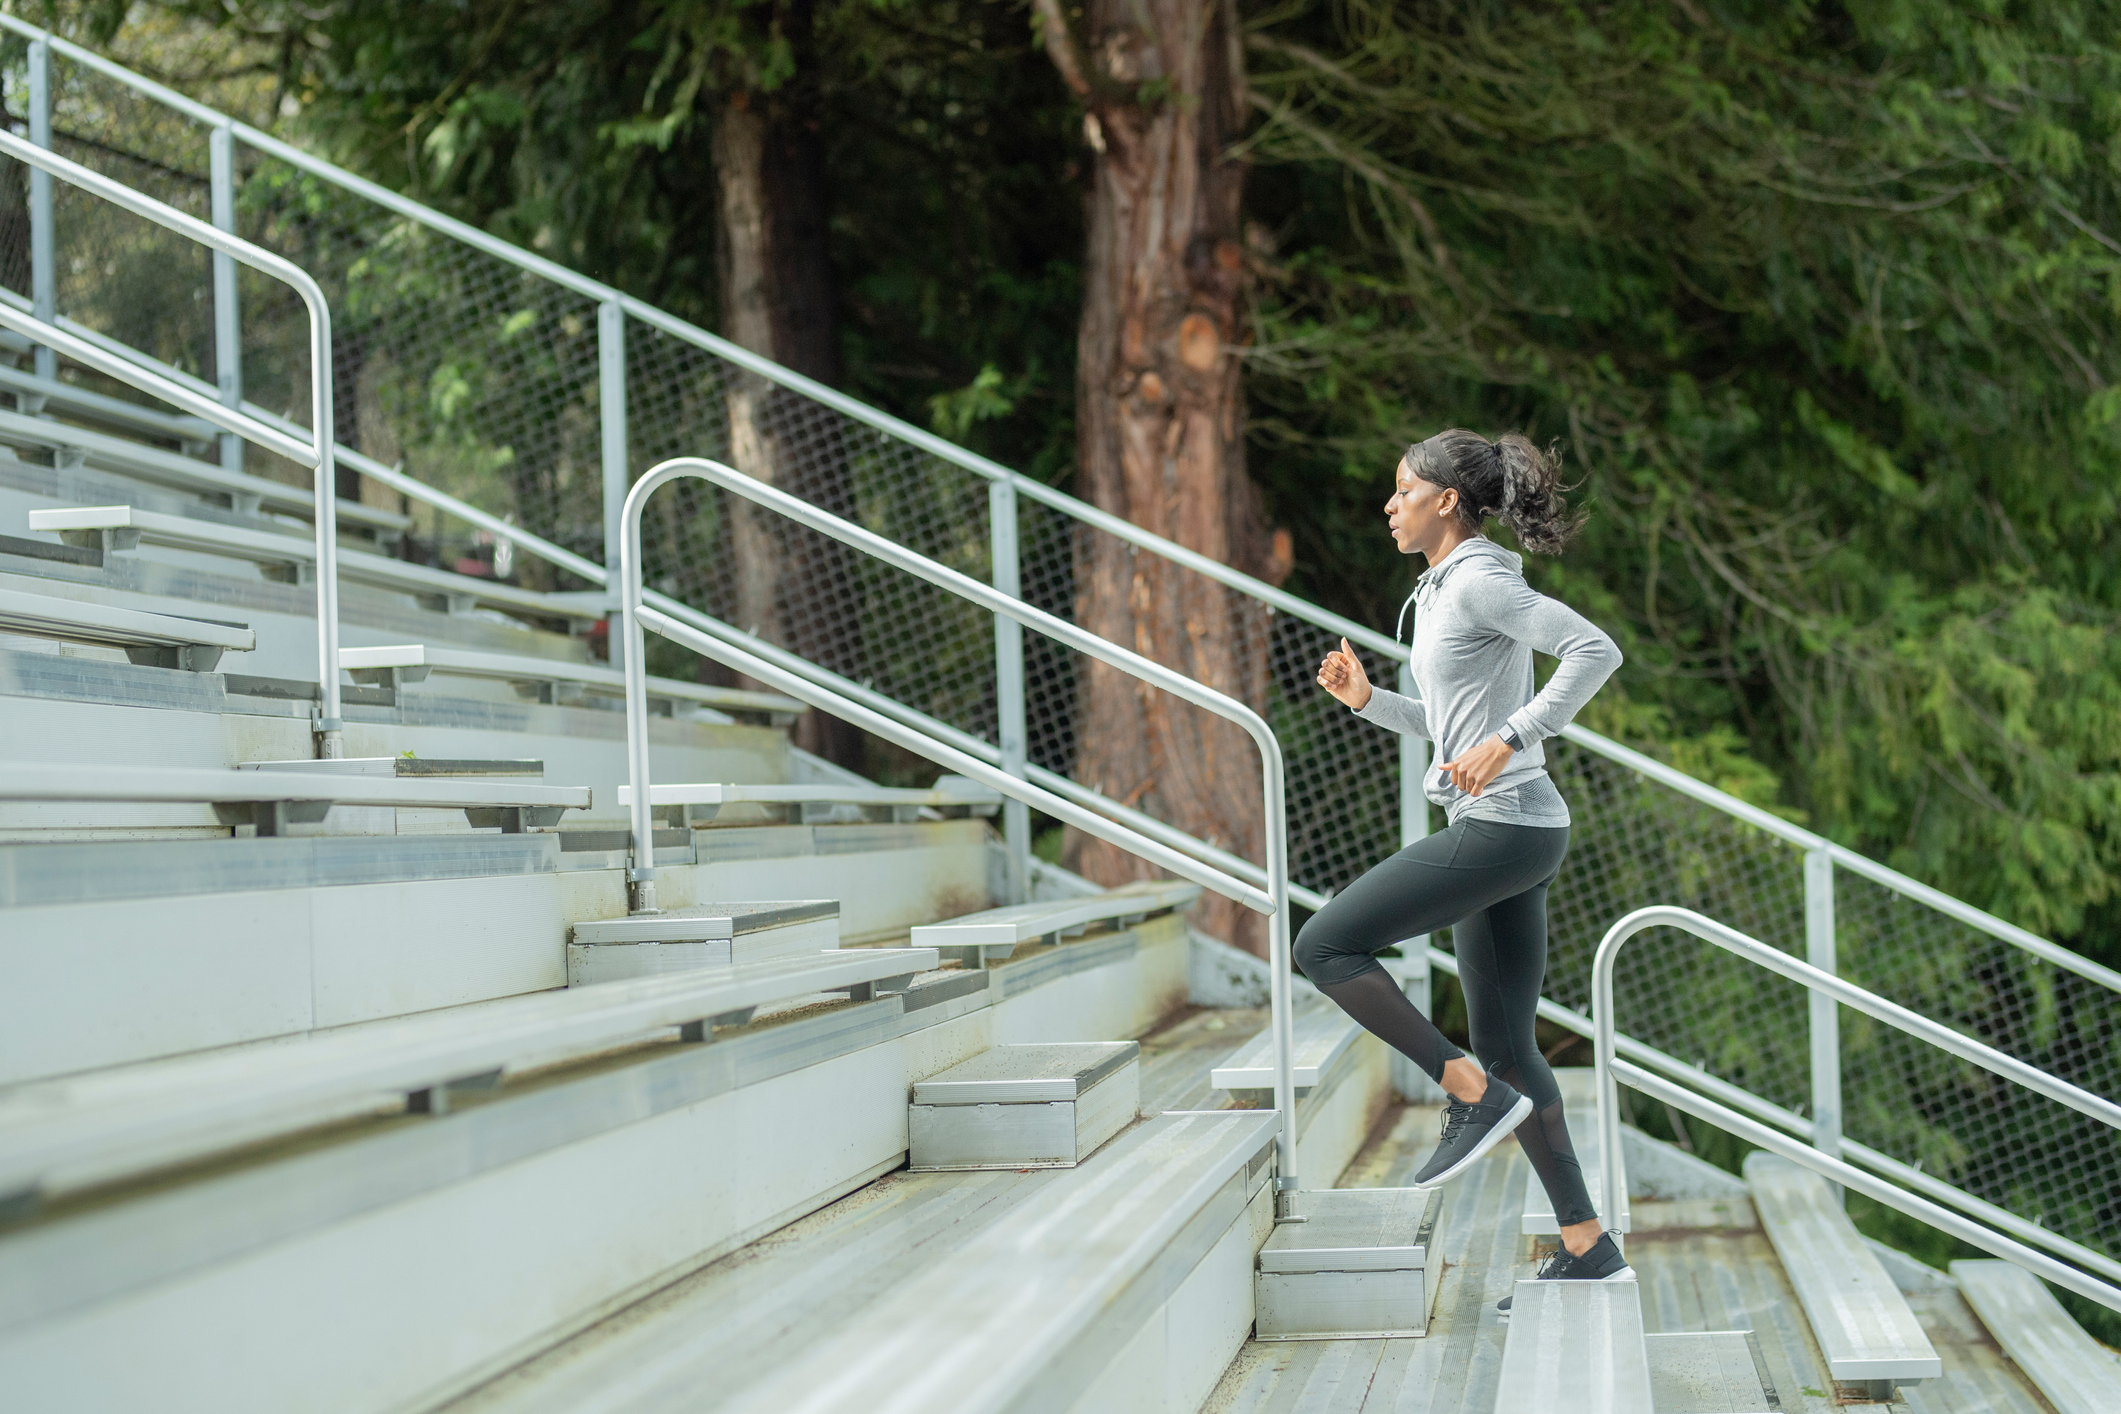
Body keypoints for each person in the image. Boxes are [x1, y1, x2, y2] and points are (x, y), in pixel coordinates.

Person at [1301, 428, 1632, 1304]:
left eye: (1402, 490)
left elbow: (1595, 651)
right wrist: (1371, 703)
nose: (1388, 504)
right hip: (1509, 823)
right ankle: (1586, 1240)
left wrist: (1515, 735)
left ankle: (1464, 1091)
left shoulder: (1481, 580)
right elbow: (1452, 738)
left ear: (1446, 500)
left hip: (1507, 825)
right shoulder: (1445, 588)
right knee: (1511, 1047)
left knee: (1326, 945)